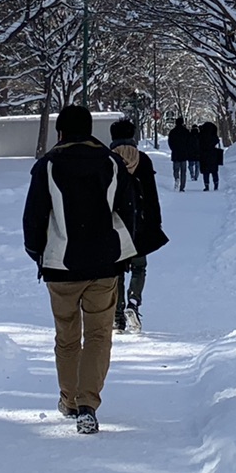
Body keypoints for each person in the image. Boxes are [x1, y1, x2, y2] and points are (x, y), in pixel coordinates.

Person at [22, 105, 140, 435]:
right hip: (104, 263)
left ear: (60, 132)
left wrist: (37, 254)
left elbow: (33, 218)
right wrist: (123, 252)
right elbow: (128, 211)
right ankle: (88, 403)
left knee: (67, 335)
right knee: (99, 335)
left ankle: (69, 400)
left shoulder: (46, 166)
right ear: (90, 131)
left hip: (60, 264)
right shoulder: (111, 163)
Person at [107, 117, 168, 331]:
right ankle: (134, 302)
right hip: (140, 223)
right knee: (139, 267)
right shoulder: (143, 159)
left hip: (115, 223)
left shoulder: (108, 160)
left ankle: (117, 314)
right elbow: (151, 194)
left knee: (117, 269)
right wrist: (155, 221)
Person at [167, 117, 193, 192]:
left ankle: (176, 178)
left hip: (175, 153)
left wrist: (173, 149)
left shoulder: (172, 132)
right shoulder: (186, 131)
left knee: (176, 169)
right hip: (184, 154)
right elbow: (189, 143)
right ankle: (182, 187)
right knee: (183, 171)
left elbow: (170, 142)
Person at [197, 119, 223, 190]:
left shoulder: (202, 136)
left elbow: (198, 142)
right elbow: (217, 141)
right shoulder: (214, 136)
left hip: (204, 155)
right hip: (213, 155)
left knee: (206, 172)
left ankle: (206, 185)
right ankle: (216, 184)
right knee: (214, 171)